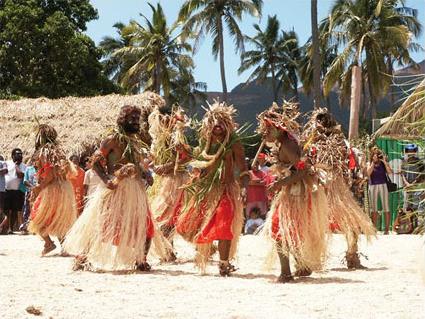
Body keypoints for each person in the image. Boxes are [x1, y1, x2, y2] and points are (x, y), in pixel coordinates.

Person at [64, 105, 167, 271]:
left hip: (136, 189)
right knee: (101, 224)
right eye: (132, 118)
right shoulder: (112, 139)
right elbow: (95, 162)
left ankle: (141, 260)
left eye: (137, 119)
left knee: (146, 224)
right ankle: (83, 257)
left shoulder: (135, 142)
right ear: (123, 119)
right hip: (116, 187)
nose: (135, 122)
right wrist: (106, 180)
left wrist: (145, 174)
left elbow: (136, 165)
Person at [257, 102, 329, 283]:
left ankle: (286, 273)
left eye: (268, 128)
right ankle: (301, 265)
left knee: (279, 231)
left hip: (296, 194)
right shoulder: (285, 142)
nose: (265, 133)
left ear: (279, 128)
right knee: (290, 230)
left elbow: (303, 171)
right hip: (293, 192)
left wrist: (279, 183)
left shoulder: (288, 145)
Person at [176, 102, 249, 276]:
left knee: (224, 226)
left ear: (227, 124)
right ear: (208, 124)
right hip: (205, 190)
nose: (217, 126)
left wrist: (245, 188)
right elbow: (199, 160)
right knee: (185, 226)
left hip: (226, 190)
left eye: (221, 122)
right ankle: (208, 249)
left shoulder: (234, 143)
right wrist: (186, 153)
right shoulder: (204, 142)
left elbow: (243, 169)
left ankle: (224, 264)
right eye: (214, 122)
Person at [302, 108, 375, 269]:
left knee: (351, 222)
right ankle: (315, 259)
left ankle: (351, 256)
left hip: (334, 186)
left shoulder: (335, 142)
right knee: (316, 224)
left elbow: (347, 162)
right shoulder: (315, 142)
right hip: (321, 186)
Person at [148, 105, 191, 261]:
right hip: (162, 180)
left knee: (169, 217)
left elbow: (186, 157)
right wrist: (149, 166)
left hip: (176, 180)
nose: (164, 121)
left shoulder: (176, 137)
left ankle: (168, 251)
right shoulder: (158, 138)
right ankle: (168, 250)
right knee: (164, 217)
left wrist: (164, 167)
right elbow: (153, 159)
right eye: (161, 119)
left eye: (167, 118)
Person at [28, 124, 78, 256]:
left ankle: (48, 243)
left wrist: (39, 187)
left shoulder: (44, 153)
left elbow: (49, 173)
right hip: (64, 187)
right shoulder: (59, 152)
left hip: (53, 188)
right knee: (59, 216)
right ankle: (64, 247)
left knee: (36, 216)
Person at [367, 147, 393, 234]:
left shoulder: (383, 163)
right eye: (374, 155)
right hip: (373, 186)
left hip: (383, 185)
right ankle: (374, 229)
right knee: (373, 208)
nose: (375, 157)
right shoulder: (369, 163)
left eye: (377, 155)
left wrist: (385, 162)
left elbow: (390, 172)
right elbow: (368, 173)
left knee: (386, 207)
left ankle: (386, 229)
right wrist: (372, 164)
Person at [4, 148, 26, 233]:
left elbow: (21, 175)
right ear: (13, 155)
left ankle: (15, 228)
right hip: (7, 190)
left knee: (16, 210)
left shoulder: (24, 166)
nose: (20, 155)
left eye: (20, 154)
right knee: (8, 210)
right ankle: (9, 229)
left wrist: (16, 166)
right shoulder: (7, 163)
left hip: (18, 191)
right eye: (17, 154)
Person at [20, 155, 38, 233]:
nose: (36, 162)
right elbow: (25, 181)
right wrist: (33, 187)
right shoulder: (28, 169)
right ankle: (26, 226)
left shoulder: (42, 170)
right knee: (27, 208)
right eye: (34, 161)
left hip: (39, 192)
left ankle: (36, 227)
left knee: (37, 208)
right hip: (30, 191)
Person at [0, 155, 8, 234]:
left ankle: (2, 228)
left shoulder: (3, 162)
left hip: (1, 189)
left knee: (1, 209)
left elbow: (5, 170)